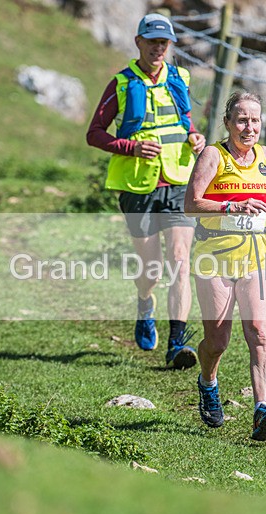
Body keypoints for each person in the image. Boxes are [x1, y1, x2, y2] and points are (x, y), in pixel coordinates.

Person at [86, 13, 206, 369]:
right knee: (151, 268)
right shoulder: (121, 84)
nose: (158, 48)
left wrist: (195, 136)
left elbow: (183, 121)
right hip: (138, 186)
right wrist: (130, 147)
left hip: (179, 181)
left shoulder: (180, 77)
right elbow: (94, 133)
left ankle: (177, 343)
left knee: (181, 262)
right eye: (152, 41)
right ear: (138, 42)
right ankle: (144, 302)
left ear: (170, 46)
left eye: (164, 43)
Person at [184, 92, 266, 441]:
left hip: (257, 256)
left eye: (255, 120)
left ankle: (262, 411)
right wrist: (231, 206)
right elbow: (192, 203)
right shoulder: (213, 155)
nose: (250, 127)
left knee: (260, 332)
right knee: (218, 340)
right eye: (242, 120)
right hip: (214, 257)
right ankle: (208, 382)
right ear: (228, 122)